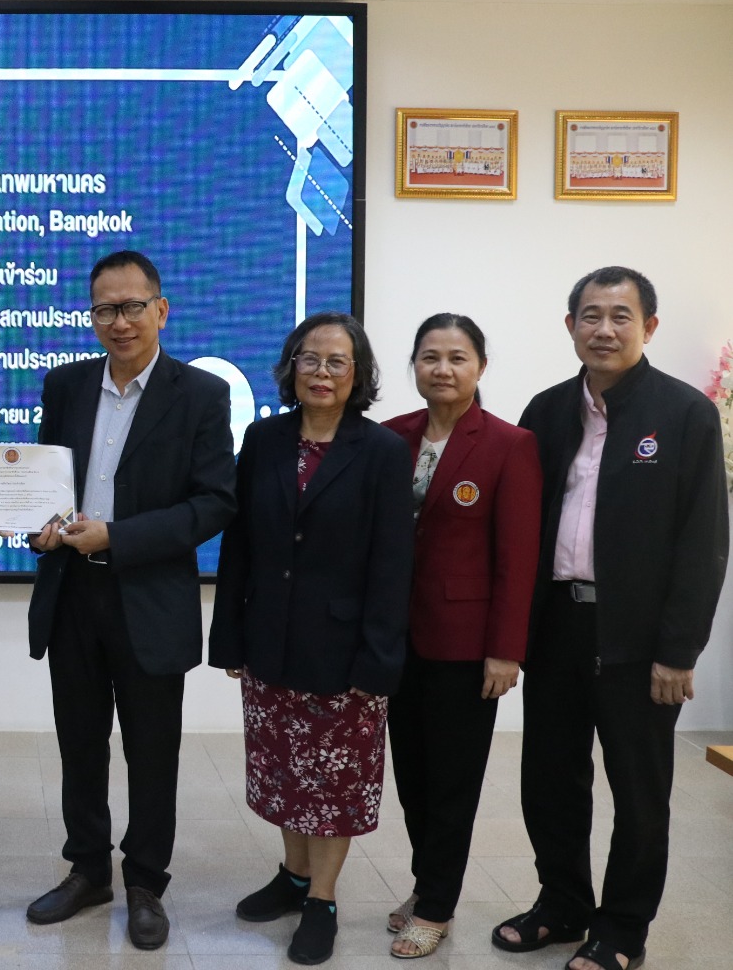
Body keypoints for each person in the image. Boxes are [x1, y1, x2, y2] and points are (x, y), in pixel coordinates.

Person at [493, 267, 728, 970]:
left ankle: (624, 929)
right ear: (570, 326)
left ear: (648, 327)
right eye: (590, 316)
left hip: (639, 640)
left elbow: (703, 541)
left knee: (639, 791)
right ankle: (562, 904)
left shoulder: (684, 413)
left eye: (621, 316)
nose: (604, 329)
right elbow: (521, 526)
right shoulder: (545, 411)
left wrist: (679, 651)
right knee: (550, 780)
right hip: (557, 628)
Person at [22, 250, 236, 949]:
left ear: (160, 310)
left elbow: (213, 503)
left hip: (148, 596)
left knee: (152, 751)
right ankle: (87, 870)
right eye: (105, 309)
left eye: (132, 306)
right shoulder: (65, 385)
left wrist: (117, 536)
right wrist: (39, 525)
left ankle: (145, 882)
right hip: (72, 595)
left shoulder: (200, 394)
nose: (119, 322)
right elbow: (45, 483)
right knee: (80, 745)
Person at [209, 310, 413, 966]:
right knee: (283, 771)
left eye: (336, 362)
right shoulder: (264, 438)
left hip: (344, 650)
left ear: (358, 375)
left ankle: (322, 899)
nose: (321, 372)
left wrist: (379, 658)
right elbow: (239, 544)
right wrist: (229, 637)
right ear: (291, 367)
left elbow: (393, 564)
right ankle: (293, 877)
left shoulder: (382, 451)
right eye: (310, 358)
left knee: (331, 782)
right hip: (269, 637)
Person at [380, 314, 542, 959]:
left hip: (467, 644)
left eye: (457, 357)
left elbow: (517, 558)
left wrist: (506, 649)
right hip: (397, 638)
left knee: (453, 782)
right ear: (414, 365)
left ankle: (437, 907)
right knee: (413, 777)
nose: (442, 369)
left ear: (480, 366)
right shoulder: (392, 436)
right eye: (430, 357)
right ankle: (427, 884)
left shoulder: (509, 444)